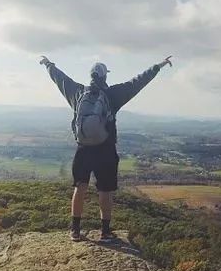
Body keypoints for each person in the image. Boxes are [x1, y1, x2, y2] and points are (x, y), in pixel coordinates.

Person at [39, 55, 173, 241]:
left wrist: (47, 63)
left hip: (83, 149)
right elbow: (138, 82)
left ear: (91, 75)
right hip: (105, 150)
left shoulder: (77, 92)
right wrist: (158, 66)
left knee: (80, 188)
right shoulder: (113, 95)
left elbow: (58, 77)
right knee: (105, 191)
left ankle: (75, 230)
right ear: (105, 76)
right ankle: (105, 232)